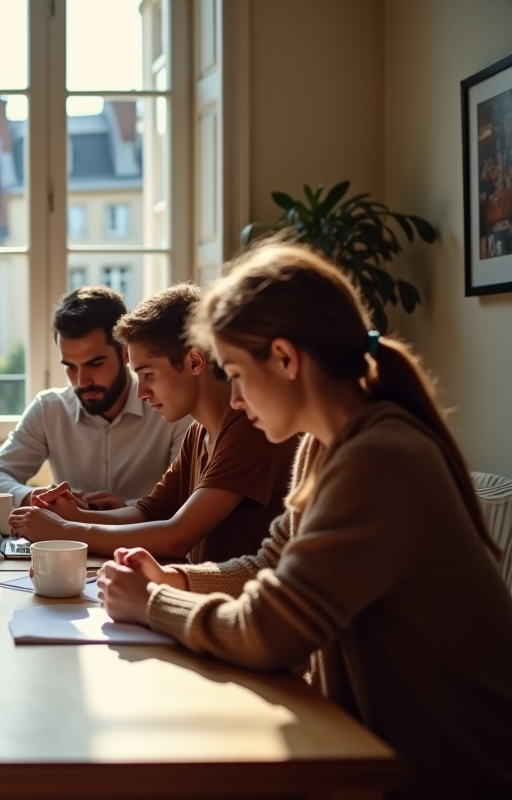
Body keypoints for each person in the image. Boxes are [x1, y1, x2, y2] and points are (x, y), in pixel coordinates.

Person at [97, 242, 512, 799]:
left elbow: (270, 631)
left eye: (237, 374)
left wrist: (153, 604)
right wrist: (177, 578)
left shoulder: (381, 456)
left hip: (445, 774)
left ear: (286, 360)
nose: (235, 399)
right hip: (369, 751)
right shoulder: (324, 446)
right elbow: (272, 565)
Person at [9, 283, 298, 562]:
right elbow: (149, 512)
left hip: (244, 594)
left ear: (195, 362)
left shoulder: (250, 427)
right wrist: (74, 515)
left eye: (148, 375)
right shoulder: (197, 432)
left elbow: (176, 537)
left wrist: (63, 531)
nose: (141, 393)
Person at [0, 285, 189, 511]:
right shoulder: (49, 409)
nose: (81, 381)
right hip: (65, 535)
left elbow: (187, 496)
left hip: (145, 533)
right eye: (70, 367)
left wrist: (130, 510)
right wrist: (34, 497)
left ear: (126, 353)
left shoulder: (171, 408)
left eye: (94, 364)